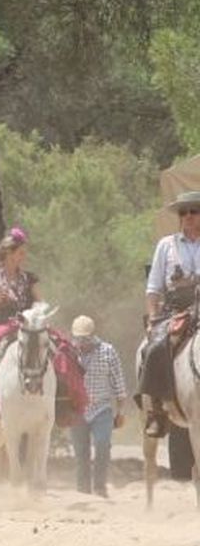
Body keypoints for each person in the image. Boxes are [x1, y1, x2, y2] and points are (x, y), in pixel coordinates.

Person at [138, 191, 200, 437]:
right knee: (153, 347)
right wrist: (153, 319)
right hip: (175, 310)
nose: (187, 216)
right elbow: (153, 288)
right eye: (183, 212)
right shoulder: (166, 245)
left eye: (193, 211)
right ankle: (157, 411)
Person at [70, 315, 126, 497]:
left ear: (92, 335)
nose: (81, 342)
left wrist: (121, 411)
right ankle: (83, 490)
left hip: (102, 409)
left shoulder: (108, 351)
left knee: (102, 446)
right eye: (78, 338)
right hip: (77, 410)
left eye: (85, 338)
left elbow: (118, 383)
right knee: (81, 452)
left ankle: (100, 487)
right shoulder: (69, 353)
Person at [0, 227, 41, 327]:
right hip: (2, 329)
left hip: (28, 328)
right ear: (9, 253)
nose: (24, 257)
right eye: (21, 253)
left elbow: (41, 305)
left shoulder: (31, 279)